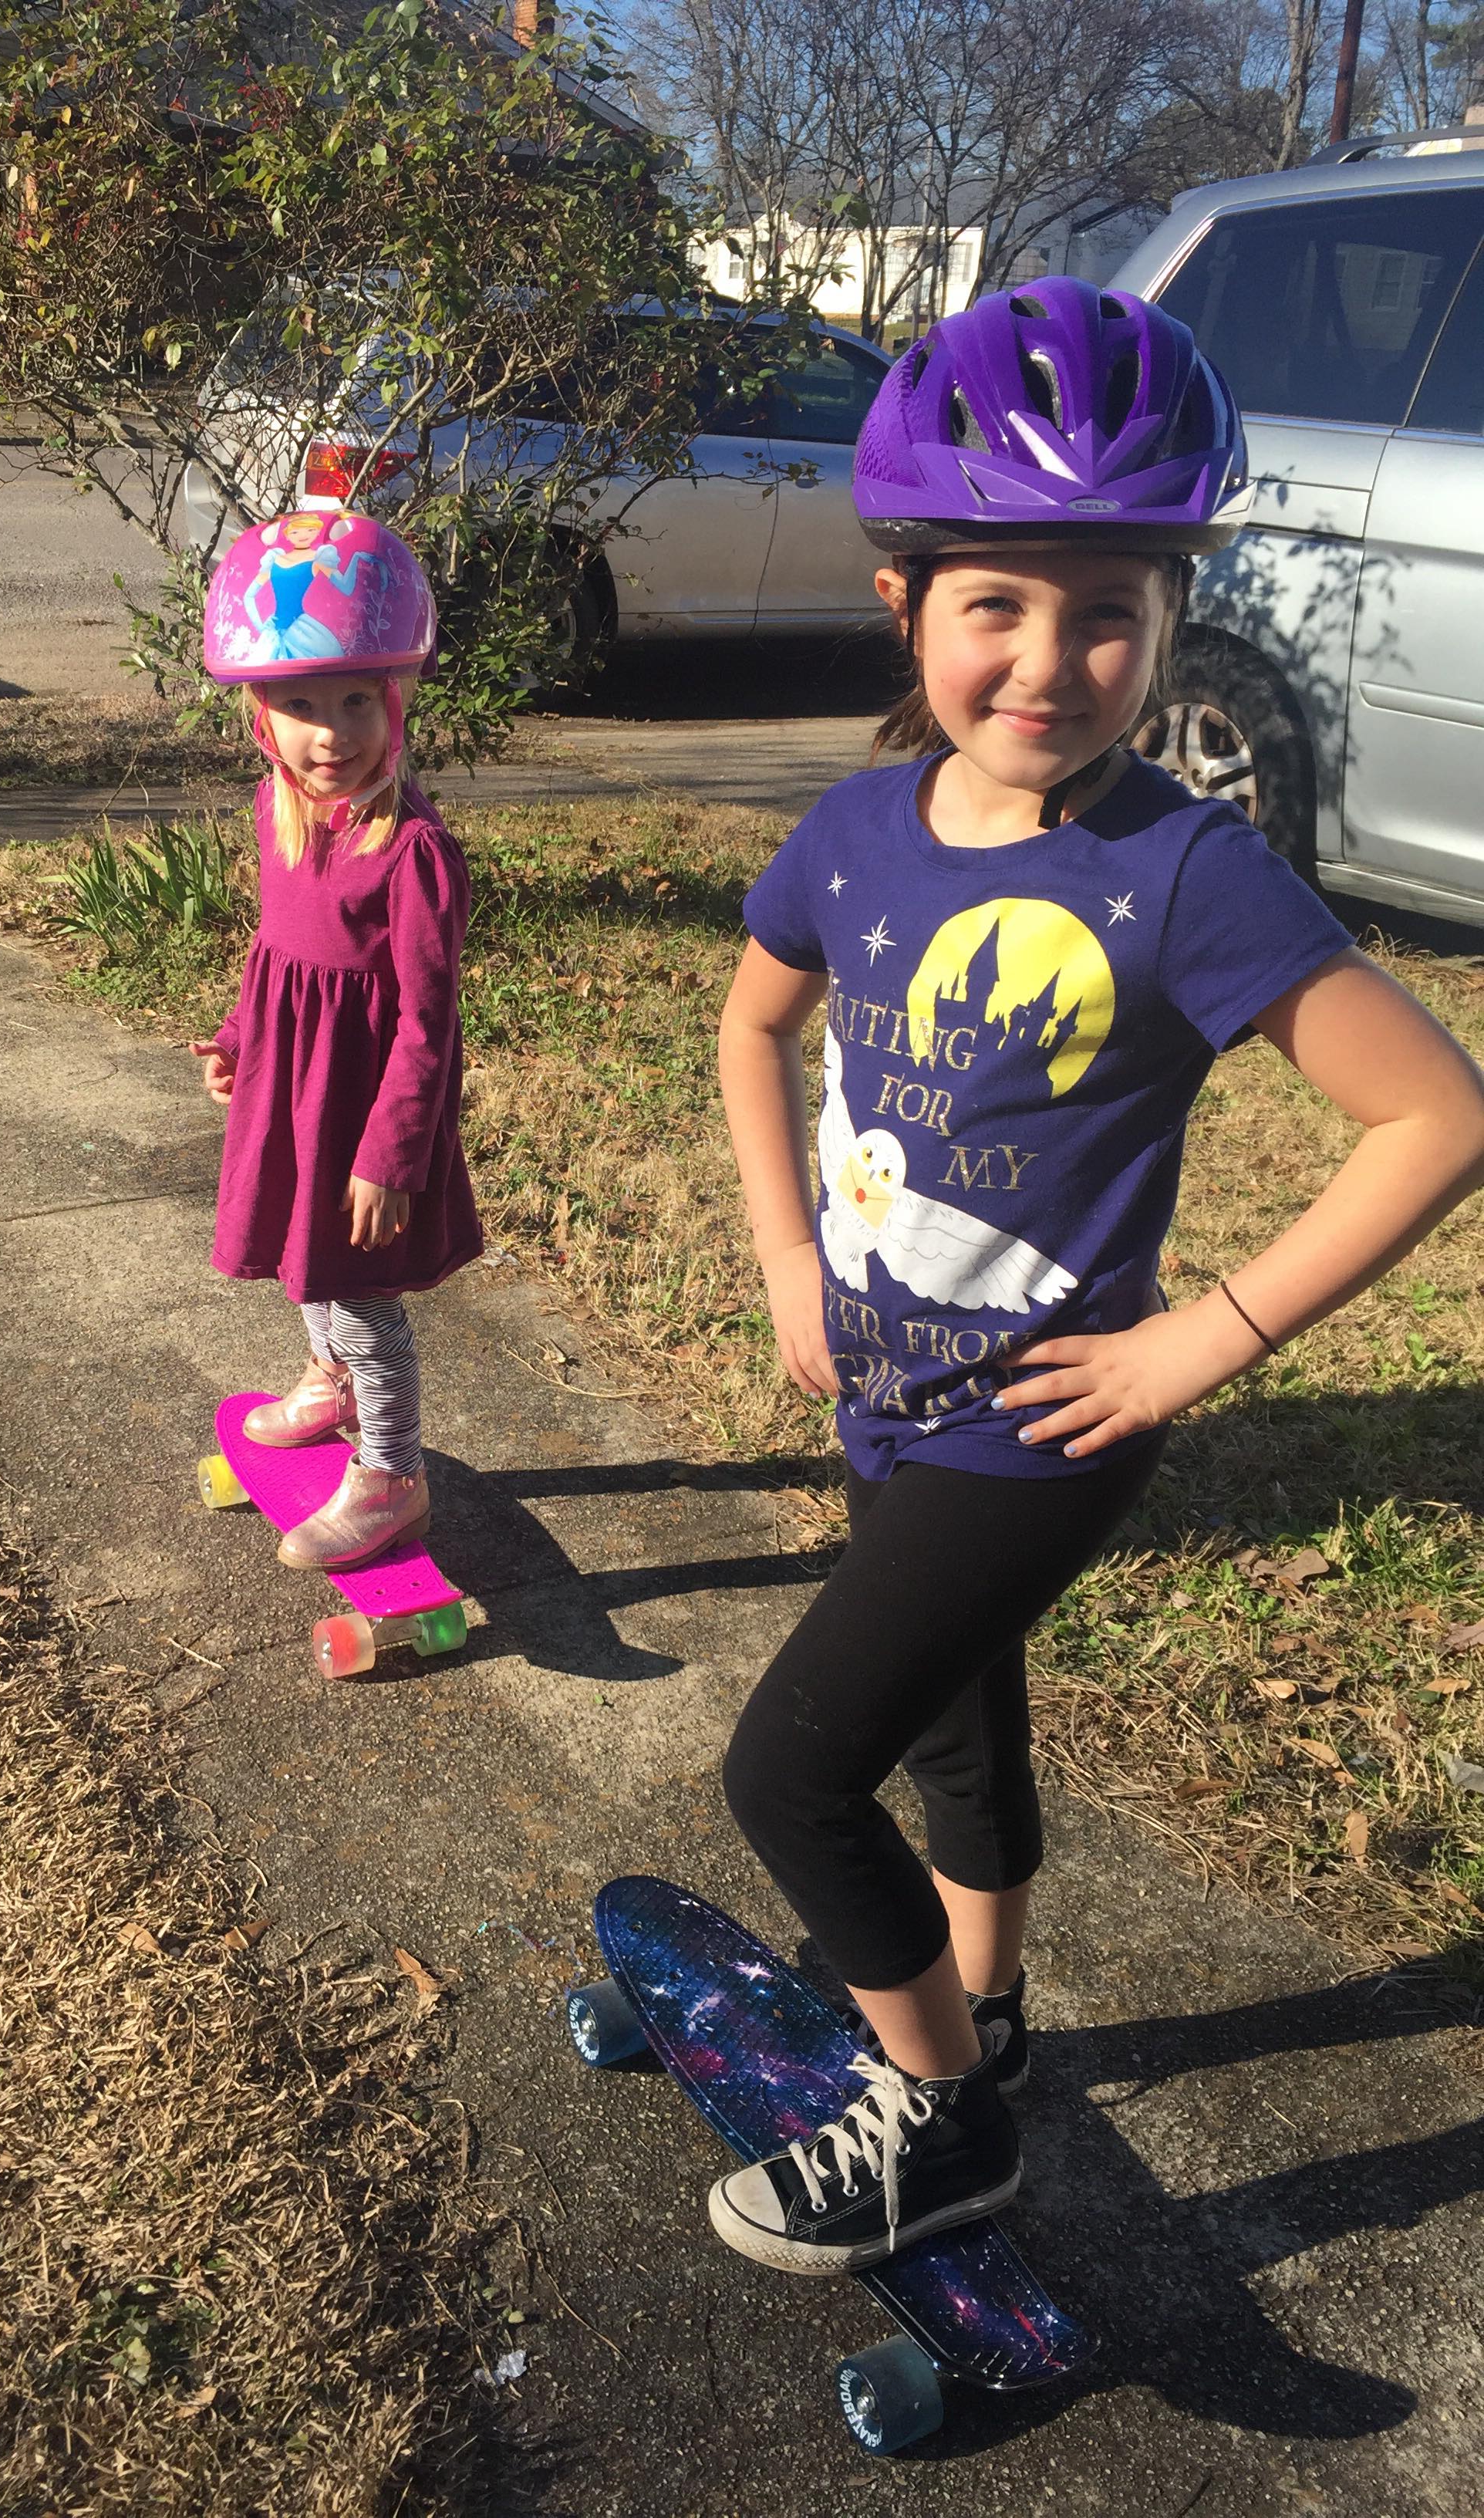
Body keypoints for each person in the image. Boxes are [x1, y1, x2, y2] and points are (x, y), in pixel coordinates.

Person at [710, 279, 1484, 2274]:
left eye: (1111, 609)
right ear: (910, 602)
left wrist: (1195, 1345)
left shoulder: (1184, 875)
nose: (1053, 658)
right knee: (964, 1739)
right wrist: (791, 1258)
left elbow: (1435, 1117)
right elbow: (750, 1028)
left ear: (1169, 615)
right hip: (887, 1392)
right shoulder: (863, 833)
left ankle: (948, 2118)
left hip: (1046, 1427)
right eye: (1000, 604)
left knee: (794, 1771)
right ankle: (1006, 2017)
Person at [192, 509, 481, 1573]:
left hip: (364, 1115)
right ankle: (330, 1382)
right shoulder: (281, 811)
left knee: (359, 1296)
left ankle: (393, 1471)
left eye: (356, 699)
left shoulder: (410, 852)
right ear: (259, 716)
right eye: (300, 705)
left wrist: (392, 1152)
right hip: (297, 1093)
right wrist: (236, 1035)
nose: (332, 732)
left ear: (394, 698)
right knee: (300, 1257)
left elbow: (426, 1017)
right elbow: (276, 954)